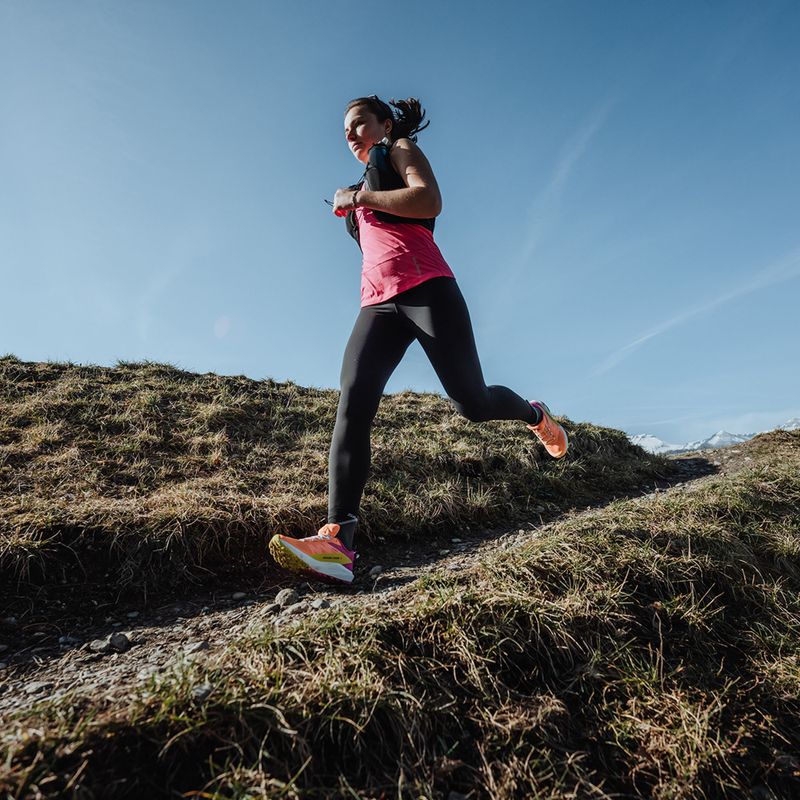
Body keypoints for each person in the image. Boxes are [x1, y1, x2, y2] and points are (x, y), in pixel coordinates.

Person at [269, 95, 568, 585]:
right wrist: (354, 199)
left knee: (472, 401)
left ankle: (535, 414)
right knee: (354, 400)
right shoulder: (358, 185)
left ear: (383, 124)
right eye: (344, 128)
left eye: (359, 122)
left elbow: (428, 200)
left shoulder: (399, 149)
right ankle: (338, 542)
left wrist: (360, 198)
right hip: (377, 304)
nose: (349, 133)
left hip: (428, 289)